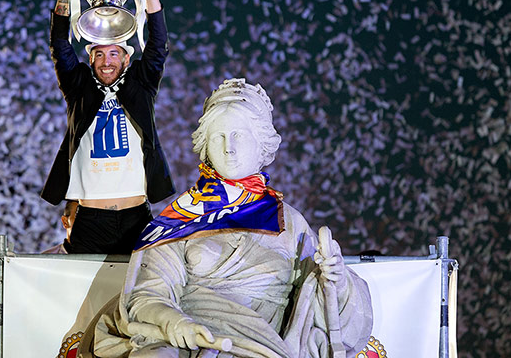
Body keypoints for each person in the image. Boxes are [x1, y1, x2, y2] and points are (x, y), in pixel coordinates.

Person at [81, 78, 373, 358]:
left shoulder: (290, 224)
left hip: (262, 344)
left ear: (262, 145)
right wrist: (176, 324)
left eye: (239, 136)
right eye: (218, 136)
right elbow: (146, 295)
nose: (228, 147)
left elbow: (325, 311)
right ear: (205, 146)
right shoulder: (181, 216)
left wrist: (336, 279)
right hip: (185, 339)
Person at [41, 0, 175, 254]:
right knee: (82, 297)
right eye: (99, 54)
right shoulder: (78, 88)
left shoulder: (141, 86)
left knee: (139, 297)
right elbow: (60, 46)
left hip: (136, 216)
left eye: (114, 53)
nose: (106, 61)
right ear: (90, 59)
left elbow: (158, 44)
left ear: (127, 58)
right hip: (90, 218)